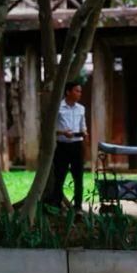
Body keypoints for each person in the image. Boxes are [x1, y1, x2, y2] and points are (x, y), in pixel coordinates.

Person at [51, 81, 87, 213]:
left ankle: (78, 207)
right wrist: (63, 133)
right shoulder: (58, 107)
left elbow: (83, 125)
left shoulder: (81, 108)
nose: (79, 94)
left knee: (79, 177)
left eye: (80, 91)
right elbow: (51, 128)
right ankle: (57, 205)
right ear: (68, 92)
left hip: (77, 145)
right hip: (62, 146)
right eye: (77, 91)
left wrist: (84, 132)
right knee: (60, 177)